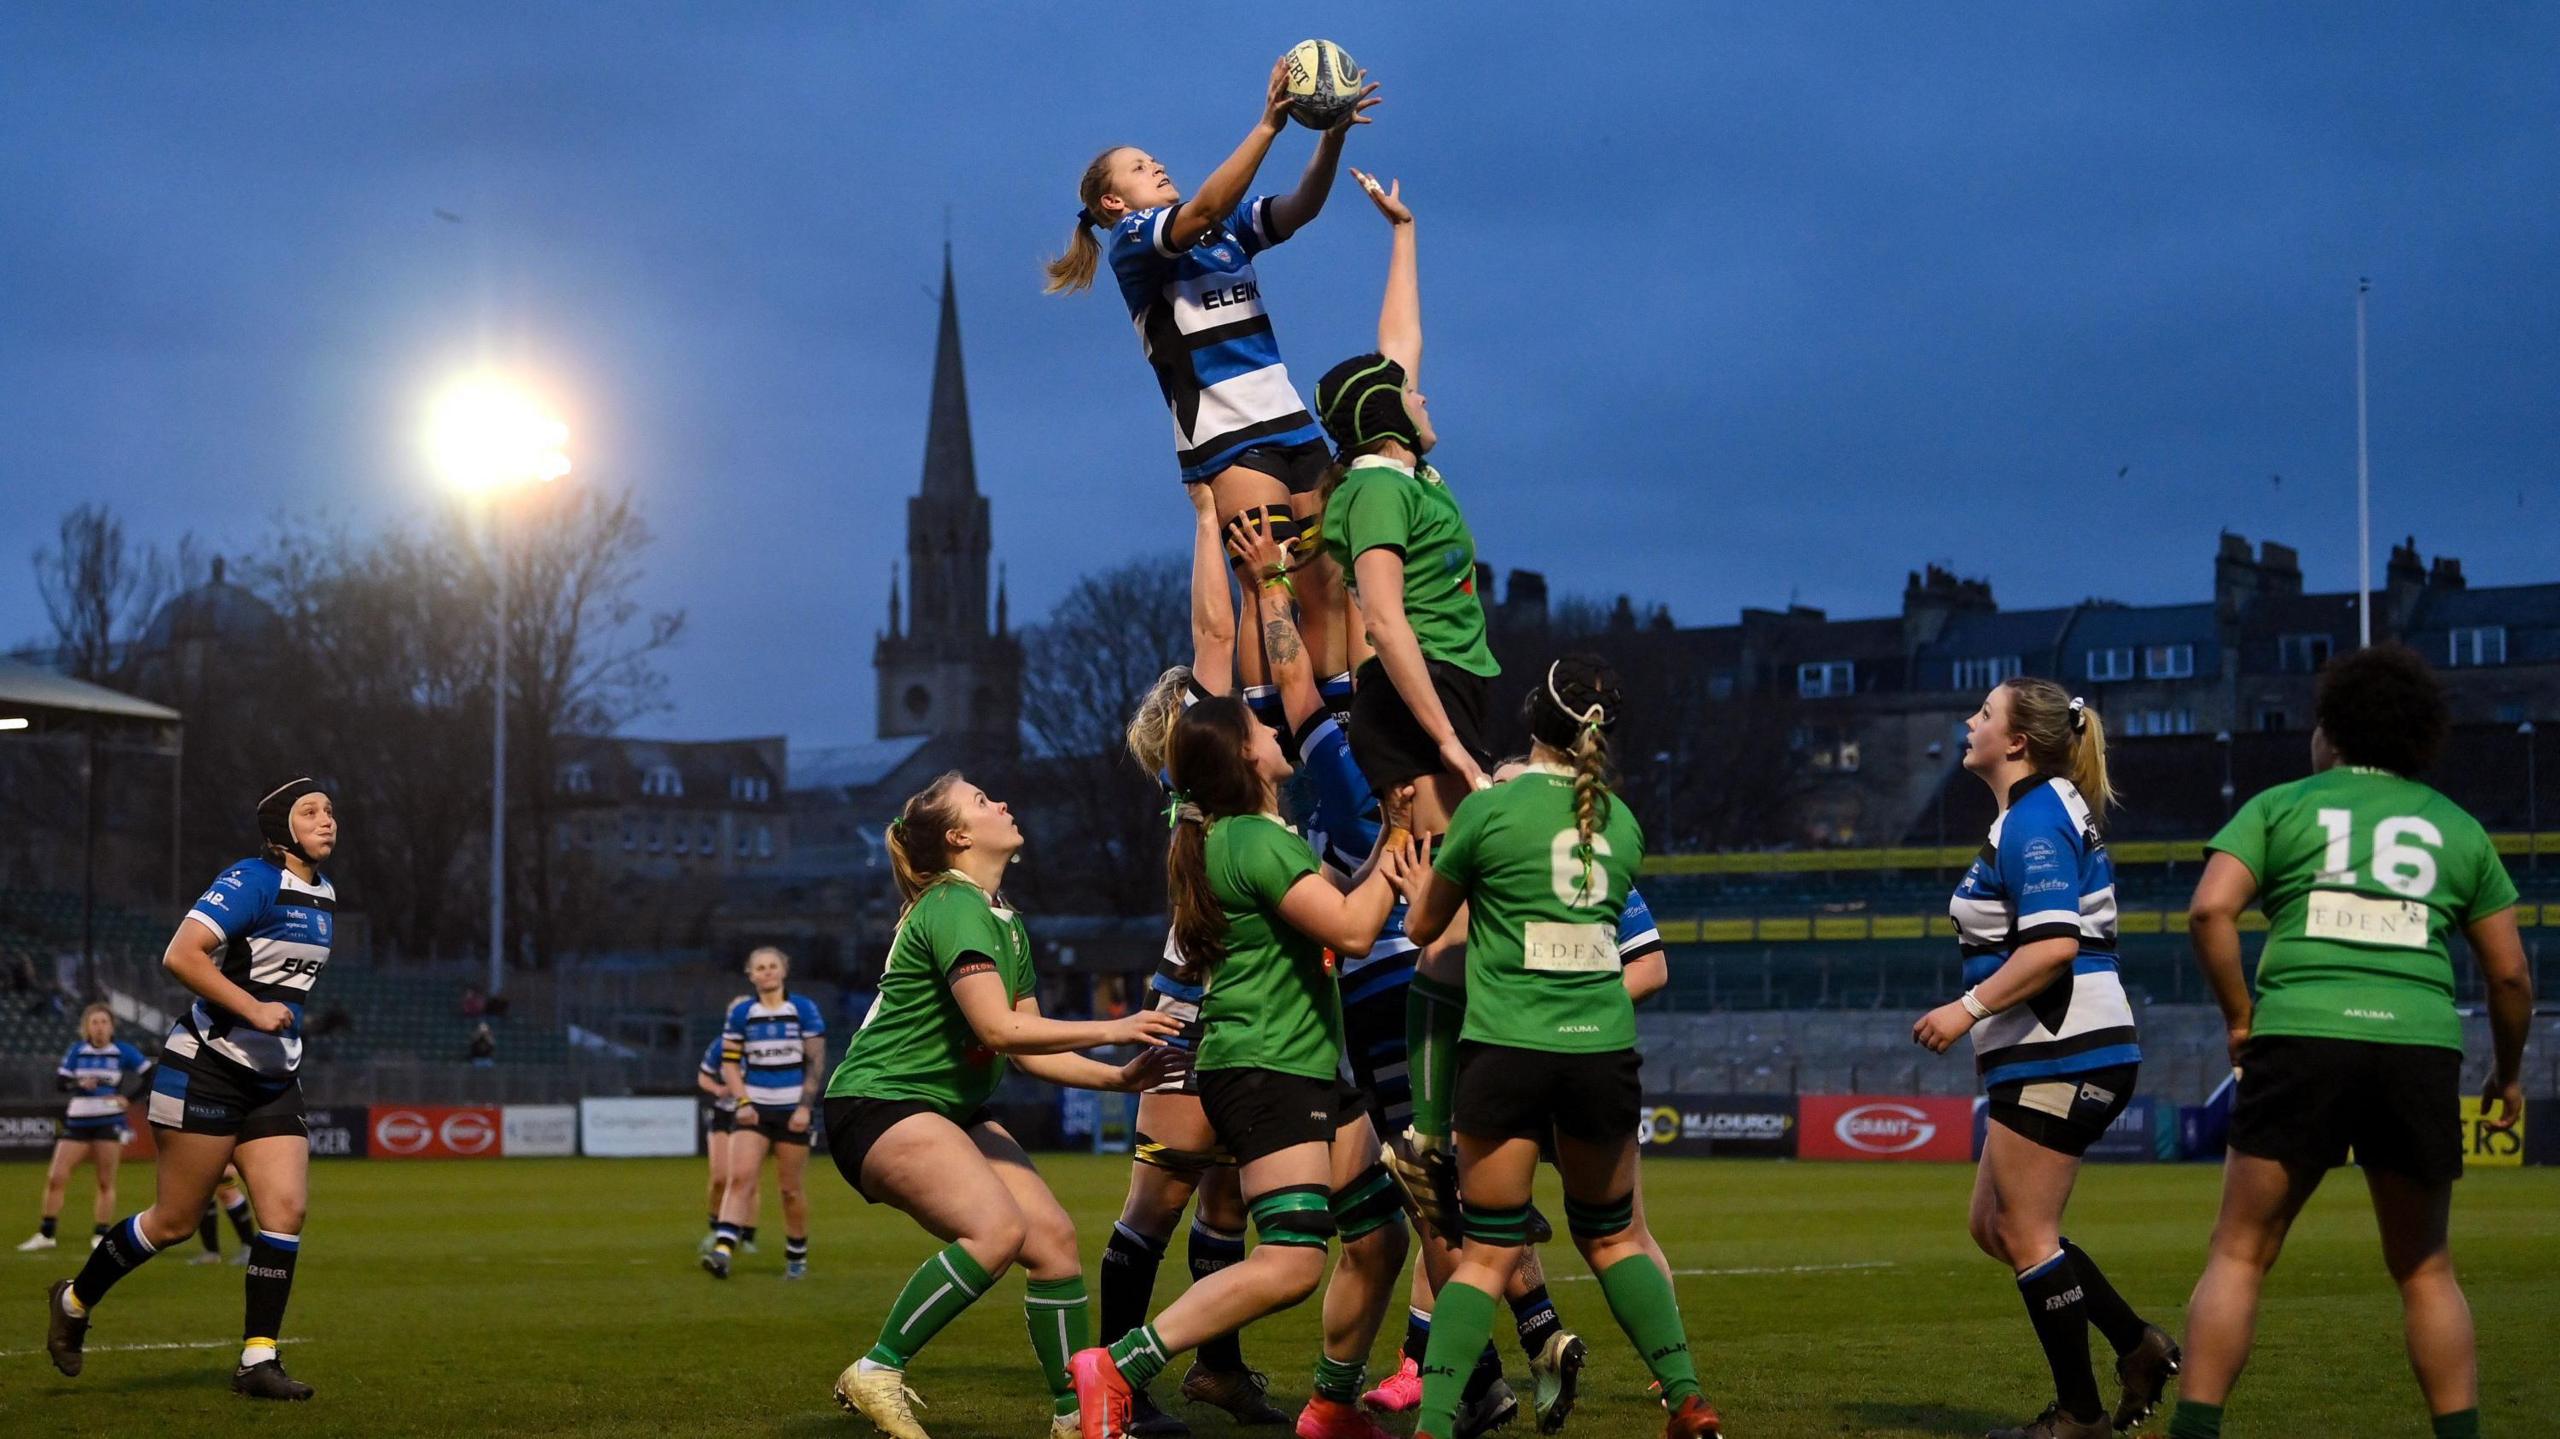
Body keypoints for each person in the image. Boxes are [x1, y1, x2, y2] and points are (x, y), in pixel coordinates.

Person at [1232, 519, 1581, 1435]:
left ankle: (1490, 1367)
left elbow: (1301, 679)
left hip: (1389, 991)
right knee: (1474, 1176)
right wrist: (1359, 558)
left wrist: (1271, 576)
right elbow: (1368, 642)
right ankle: (1521, 1338)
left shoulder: (1350, 777)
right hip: (1470, 977)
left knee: (1428, 1185)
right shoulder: (1452, 773)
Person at [2166, 645, 2532, 1439]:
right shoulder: (2458, 827)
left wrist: (2239, 1015)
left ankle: (2194, 1431)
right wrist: (2506, 1077)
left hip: (2299, 1034)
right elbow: (2508, 977)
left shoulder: (2280, 805)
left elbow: (2208, 912)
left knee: (2238, 1254)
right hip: (2418, 1044)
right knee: (2426, 1267)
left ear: (2329, 730)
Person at [1070, 696, 1417, 1439]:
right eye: (1261, 729)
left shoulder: (1242, 836)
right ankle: (1118, 1365)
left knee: (1382, 1235)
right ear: (1244, 756)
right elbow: (1357, 931)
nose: (1273, 731)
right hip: (1267, 1066)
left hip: (1302, 1060)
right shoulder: (1255, 839)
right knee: (1292, 1264)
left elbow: (1337, 918)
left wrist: (1390, 842)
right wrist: (1397, 838)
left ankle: (1330, 1406)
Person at [1394, 655, 1720, 1439]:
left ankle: (1436, 1425)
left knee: (1486, 1253)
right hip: (1602, 1054)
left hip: (1507, 1052)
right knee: (1613, 1236)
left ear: (1532, 721)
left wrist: (1417, 889)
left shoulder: (1488, 812)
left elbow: (1423, 930)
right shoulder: (1625, 823)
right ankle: (1687, 1399)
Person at [827, 772, 1184, 1439]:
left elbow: (1028, 1049)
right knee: (996, 1230)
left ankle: (1074, 1413)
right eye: (984, 800)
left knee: (1051, 1241)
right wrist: (1113, 1026)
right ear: (960, 836)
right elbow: (997, 1029)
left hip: (940, 1106)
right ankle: (878, 1366)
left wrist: (1120, 1077)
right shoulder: (955, 904)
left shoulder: (1002, 919)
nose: (1003, 803)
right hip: (878, 1101)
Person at [1044, 56, 1379, 710]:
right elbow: (1200, 211)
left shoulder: (1223, 231)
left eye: (1154, 158)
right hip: (1228, 438)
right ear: (1113, 202)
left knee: (1329, 585)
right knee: (1268, 585)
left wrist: (1331, 132)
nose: (1156, 166)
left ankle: (1340, 721)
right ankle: (1263, 729)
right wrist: (1269, 125)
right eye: (1139, 167)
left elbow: (1300, 208)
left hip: (1288, 420)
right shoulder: (1136, 241)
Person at [1910, 680, 2176, 1439]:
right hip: (2048, 1051)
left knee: (2025, 1231)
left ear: (2018, 740)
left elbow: (2055, 947)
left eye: (1985, 714)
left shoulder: (2034, 818)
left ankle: (2079, 1415)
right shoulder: (2030, 814)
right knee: (1995, 1225)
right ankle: (2137, 1345)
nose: (1970, 722)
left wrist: (1965, 1010)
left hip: (2062, 1049)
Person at [1096, 496, 1293, 1437]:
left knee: (1220, 1196)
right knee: (1158, 1203)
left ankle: (1216, 1370)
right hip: (1196, 1009)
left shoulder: (1203, 797)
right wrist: (1218, 529)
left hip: (1228, 1006)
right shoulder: (1203, 783)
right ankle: (1116, 1387)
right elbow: (1215, 634)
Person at [45, 777, 340, 1400]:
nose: (326, 820)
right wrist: (255, 1010)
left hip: (273, 1078)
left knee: (286, 1210)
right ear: (280, 829)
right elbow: (182, 955)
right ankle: (72, 1302)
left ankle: (257, 1361)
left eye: (330, 811)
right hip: (205, 1066)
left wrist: (279, 1021)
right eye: (309, 811)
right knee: (175, 1222)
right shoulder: (252, 880)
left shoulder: (325, 895)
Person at [1311, 171, 1496, 836]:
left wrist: (1403, 231)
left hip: (1451, 683)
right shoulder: (1378, 489)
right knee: (1446, 898)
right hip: (1420, 701)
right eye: (1411, 396)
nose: (1424, 396)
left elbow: (1401, 344)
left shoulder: (1405, 473)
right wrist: (1446, 742)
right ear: (1388, 419)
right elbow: (1385, 623)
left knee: (1457, 890)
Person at [703, 947, 824, 1281]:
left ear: (783, 971)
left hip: (792, 1111)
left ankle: (796, 1257)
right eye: (760, 967)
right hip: (754, 1110)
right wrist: (743, 1102)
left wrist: (804, 1107)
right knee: (740, 1178)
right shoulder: (742, 1013)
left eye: (773, 966)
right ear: (751, 975)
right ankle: (723, 1250)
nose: (767, 971)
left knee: (790, 1190)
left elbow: (815, 1061)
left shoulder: (802, 1009)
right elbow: (729, 1064)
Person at [17, 1005, 148, 1254]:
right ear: (87, 1027)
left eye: (103, 1022)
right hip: (77, 1121)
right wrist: (78, 1082)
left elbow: (150, 1074)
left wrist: (129, 1099)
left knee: (104, 1180)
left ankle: (100, 1233)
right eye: (94, 1022)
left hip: (108, 1121)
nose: (99, 1027)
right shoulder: (77, 1050)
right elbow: (60, 1082)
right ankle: (46, 1233)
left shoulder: (123, 1052)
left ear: (111, 1026)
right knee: (56, 1177)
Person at [694, 1027, 745, 1256]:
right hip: (724, 1112)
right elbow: (703, 1076)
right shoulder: (722, 1044)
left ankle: (746, 1234)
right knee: (719, 1178)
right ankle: (715, 1227)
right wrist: (717, 1088)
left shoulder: (761, 1043)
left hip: (749, 1113)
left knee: (744, 1177)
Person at [185, 1166, 260, 1268]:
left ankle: (249, 1248)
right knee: (203, 1190)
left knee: (226, 1190)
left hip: (219, 1153)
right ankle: (211, 1252)